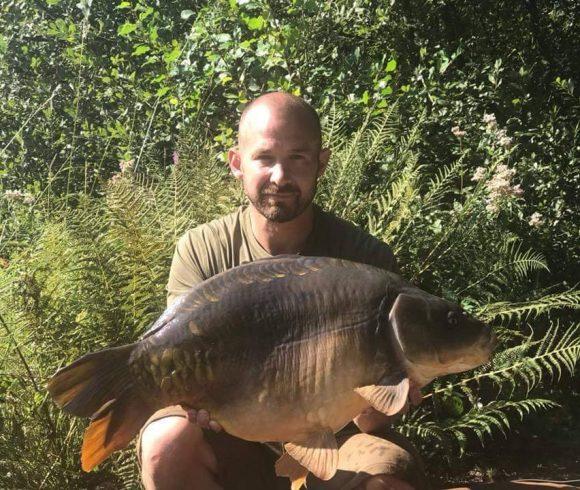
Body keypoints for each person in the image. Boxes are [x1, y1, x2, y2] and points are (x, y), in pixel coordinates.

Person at [138, 92, 429, 490]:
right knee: (165, 444)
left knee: (388, 484)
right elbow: (177, 364)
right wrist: (196, 398)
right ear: (237, 163)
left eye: (298, 158)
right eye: (264, 158)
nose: (280, 176)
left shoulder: (365, 259)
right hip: (234, 429)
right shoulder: (202, 249)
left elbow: (368, 420)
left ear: (321, 163)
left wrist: (401, 387)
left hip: (337, 437)